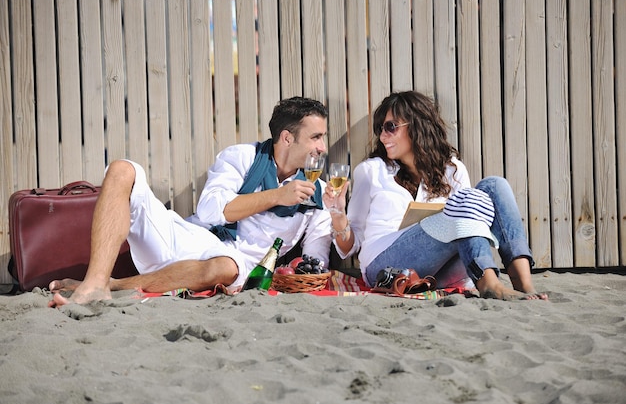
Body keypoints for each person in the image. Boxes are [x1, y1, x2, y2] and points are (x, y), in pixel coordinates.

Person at [49, 97, 332, 307]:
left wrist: (338, 218)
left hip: (227, 267)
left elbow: (314, 261)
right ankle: (96, 280)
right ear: (286, 137)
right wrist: (276, 196)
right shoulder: (242, 157)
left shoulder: (317, 192)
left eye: (323, 137)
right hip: (187, 238)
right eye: (316, 137)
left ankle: (110, 285)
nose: (322, 147)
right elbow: (210, 210)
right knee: (123, 169)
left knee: (227, 267)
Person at [323, 90, 547, 300]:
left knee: (495, 185)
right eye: (380, 129)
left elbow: (472, 222)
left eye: (390, 127)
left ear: (417, 126)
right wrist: (337, 213)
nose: (383, 136)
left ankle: (525, 285)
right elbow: (347, 249)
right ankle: (489, 284)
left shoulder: (453, 169)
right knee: (463, 203)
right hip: (387, 267)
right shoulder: (371, 171)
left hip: (443, 269)